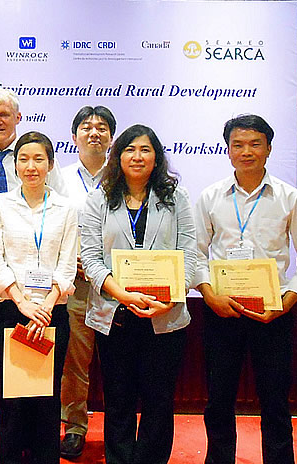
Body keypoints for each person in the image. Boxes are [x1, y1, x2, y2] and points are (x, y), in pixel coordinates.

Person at [194, 114, 297, 464]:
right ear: (228, 151)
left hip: (273, 313)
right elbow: (194, 254)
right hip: (222, 310)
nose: (246, 151)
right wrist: (210, 295)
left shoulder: (288, 198)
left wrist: (285, 303)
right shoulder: (210, 197)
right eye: (238, 145)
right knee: (218, 399)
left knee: (275, 400)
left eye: (254, 144)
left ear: (268, 148)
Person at [0, 88, 67, 464]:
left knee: (29, 373)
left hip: (35, 292)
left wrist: (33, 297)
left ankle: (26, 442)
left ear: (18, 117)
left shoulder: (34, 158)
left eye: (4, 114)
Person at [80, 124, 196, 464]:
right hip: (115, 314)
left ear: (156, 156)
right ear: (118, 155)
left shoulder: (176, 197)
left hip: (165, 314)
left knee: (159, 400)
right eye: (130, 149)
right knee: (118, 400)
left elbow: (189, 252)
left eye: (145, 149)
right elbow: (90, 257)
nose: (137, 156)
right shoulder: (99, 197)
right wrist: (123, 295)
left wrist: (172, 297)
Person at [0, 130, 76, 463]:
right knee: (14, 395)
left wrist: (46, 307)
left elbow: (67, 265)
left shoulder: (66, 209)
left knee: (46, 393)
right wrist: (23, 303)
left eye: (39, 159)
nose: (31, 166)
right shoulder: (0, 205)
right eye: (23, 158)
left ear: (50, 164)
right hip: (13, 311)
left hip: (53, 313)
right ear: (15, 164)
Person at [59, 105, 117, 459]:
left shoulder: (125, 176)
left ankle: (119, 431)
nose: (94, 132)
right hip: (76, 283)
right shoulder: (58, 177)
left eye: (102, 128)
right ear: (74, 136)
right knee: (75, 363)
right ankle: (75, 428)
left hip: (117, 287)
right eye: (86, 126)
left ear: (112, 137)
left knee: (118, 363)